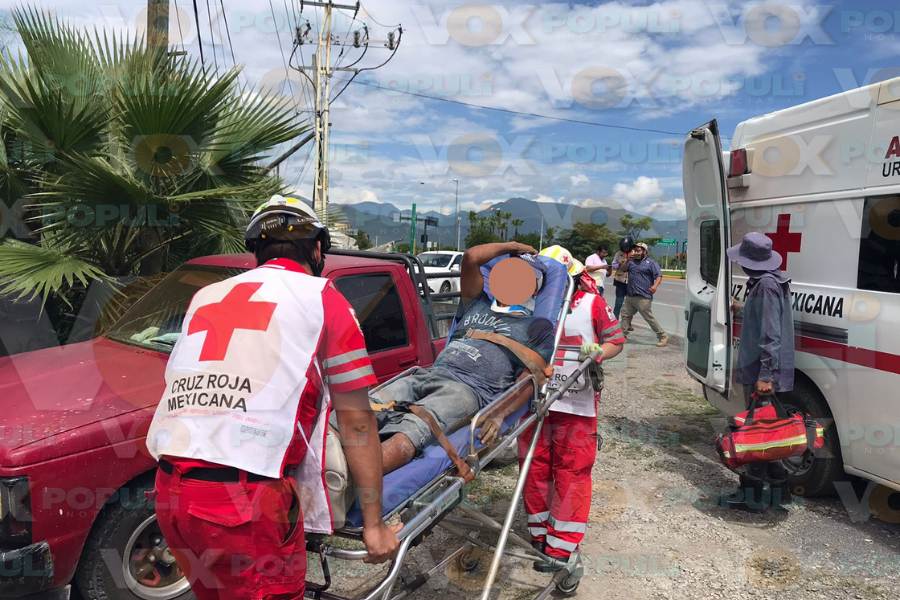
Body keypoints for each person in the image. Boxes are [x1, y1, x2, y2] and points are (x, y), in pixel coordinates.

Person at [146, 195, 398, 599]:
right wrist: (374, 525)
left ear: (256, 250)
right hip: (241, 505)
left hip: (170, 494)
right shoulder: (323, 298)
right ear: (317, 249)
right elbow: (356, 421)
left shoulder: (206, 297)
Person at [372, 241, 557, 473]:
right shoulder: (476, 302)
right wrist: (512, 245)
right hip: (428, 374)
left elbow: (532, 378)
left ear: (535, 288)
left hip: (468, 390)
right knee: (363, 408)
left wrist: (499, 414)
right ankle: (331, 456)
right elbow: (471, 257)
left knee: (413, 427)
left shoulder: (538, 327)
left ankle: (353, 478)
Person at [524, 246, 625, 569]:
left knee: (572, 471)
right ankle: (539, 532)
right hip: (535, 402)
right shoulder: (529, 305)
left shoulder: (592, 303)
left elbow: (615, 340)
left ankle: (561, 544)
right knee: (535, 467)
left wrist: (595, 352)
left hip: (576, 404)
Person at [723, 232, 796, 512]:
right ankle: (780, 492)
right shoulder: (770, 281)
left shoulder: (765, 286)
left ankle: (751, 495)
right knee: (769, 432)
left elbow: (770, 334)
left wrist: (765, 375)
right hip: (763, 371)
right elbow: (764, 317)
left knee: (755, 432)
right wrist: (741, 308)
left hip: (762, 373)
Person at [618, 242, 669, 347]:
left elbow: (659, 276)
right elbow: (622, 270)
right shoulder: (631, 262)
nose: (636, 252)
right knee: (625, 315)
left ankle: (663, 336)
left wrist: (655, 286)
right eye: (635, 250)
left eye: (639, 250)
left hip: (643, 297)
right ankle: (623, 336)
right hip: (630, 296)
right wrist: (627, 260)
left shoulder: (651, 263)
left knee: (648, 318)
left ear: (645, 252)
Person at [610, 237, 634, 318]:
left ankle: (627, 321)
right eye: (623, 247)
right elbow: (613, 265)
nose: (625, 248)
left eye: (626, 247)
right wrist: (620, 264)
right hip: (620, 281)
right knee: (618, 302)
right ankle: (615, 319)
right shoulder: (618, 253)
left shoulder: (634, 253)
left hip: (631, 282)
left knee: (630, 304)